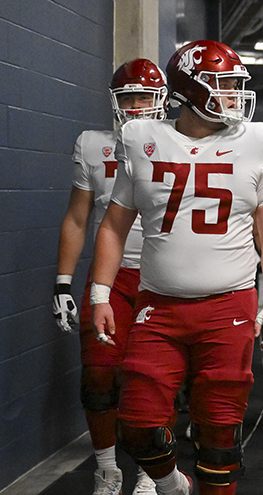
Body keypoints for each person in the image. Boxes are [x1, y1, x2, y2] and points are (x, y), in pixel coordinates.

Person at [90, 39, 263, 495]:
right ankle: (172, 484)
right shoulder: (142, 139)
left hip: (229, 305)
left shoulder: (257, 140)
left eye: (237, 86)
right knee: (137, 423)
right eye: (222, 86)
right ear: (188, 90)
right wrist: (100, 292)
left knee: (219, 438)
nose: (234, 97)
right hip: (158, 306)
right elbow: (115, 225)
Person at [52, 58, 166, 495]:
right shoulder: (93, 144)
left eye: (145, 97)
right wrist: (63, 282)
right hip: (112, 279)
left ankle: (149, 473)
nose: (136, 106)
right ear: (115, 102)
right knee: (98, 376)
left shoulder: (176, 140)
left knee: (152, 381)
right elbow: (78, 218)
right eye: (128, 98)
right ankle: (106, 469)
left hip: (162, 278)